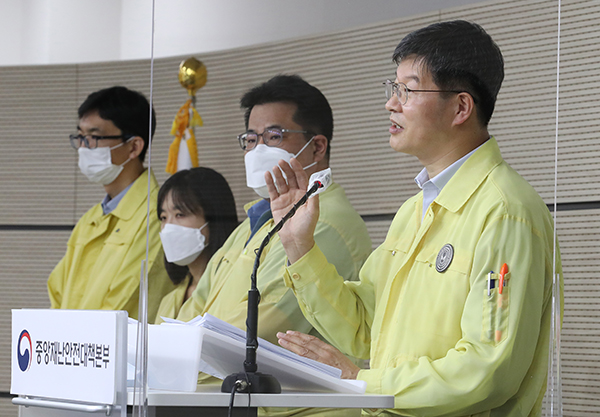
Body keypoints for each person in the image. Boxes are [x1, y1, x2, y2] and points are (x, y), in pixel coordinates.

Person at [273, 21, 563, 416]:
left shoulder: (505, 210)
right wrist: (298, 245)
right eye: (393, 89)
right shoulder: (415, 210)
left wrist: (359, 382)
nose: (391, 104)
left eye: (407, 90)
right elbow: (365, 330)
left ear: (461, 107)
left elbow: (488, 369)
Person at [176, 75, 372, 415]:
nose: (257, 150)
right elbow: (195, 308)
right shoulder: (256, 221)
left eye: (274, 136)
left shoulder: (324, 222)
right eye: (251, 139)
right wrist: (174, 347)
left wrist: (175, 351)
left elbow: (256, 332)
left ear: (317, 146)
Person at [48, 86, 175, 322]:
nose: (84, 148)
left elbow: (124, 304)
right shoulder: (91, 219)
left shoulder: (159, 215)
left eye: (94, 138)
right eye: (80, 137)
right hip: (73, 353)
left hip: (114, 355)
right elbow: (58, 294)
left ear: (134, 146)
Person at [154, 167, 238, 322]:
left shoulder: (234, 288)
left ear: (213, 218)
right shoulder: (170, 299)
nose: (168, 227)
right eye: (163, 217)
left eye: (180, 215)